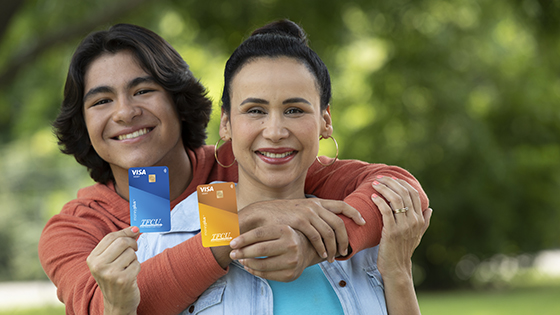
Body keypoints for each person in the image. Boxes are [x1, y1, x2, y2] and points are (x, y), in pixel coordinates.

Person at [37, 23, 429, 315]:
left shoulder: (252, 159)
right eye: (101, 101)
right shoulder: (81, 226)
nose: (125, 112)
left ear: (178, 101)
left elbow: (394, 186)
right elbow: (109, 304)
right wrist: (244, 222)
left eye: (143, 90)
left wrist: (317, 244)